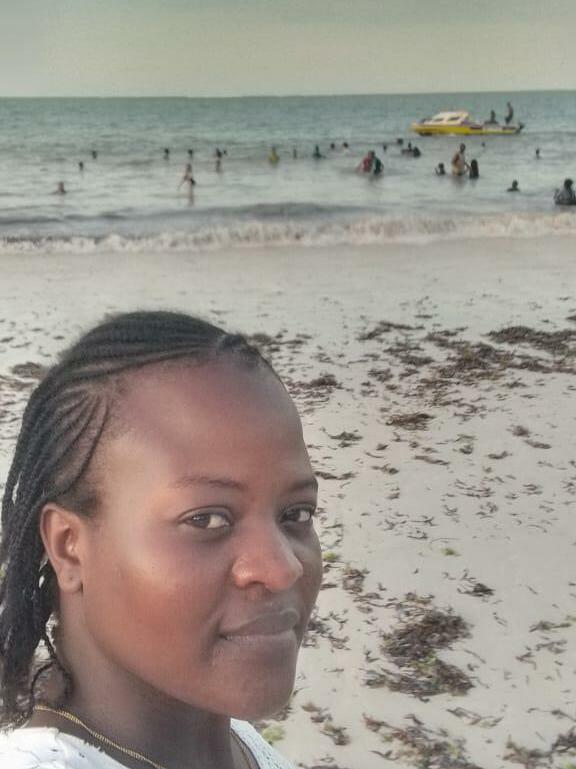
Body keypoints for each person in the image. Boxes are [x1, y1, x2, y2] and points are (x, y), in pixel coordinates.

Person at [0, 311, 322, 769]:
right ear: (69, 547)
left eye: (296, 514)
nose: (282, 567)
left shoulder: (232, 740)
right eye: (207, 520)